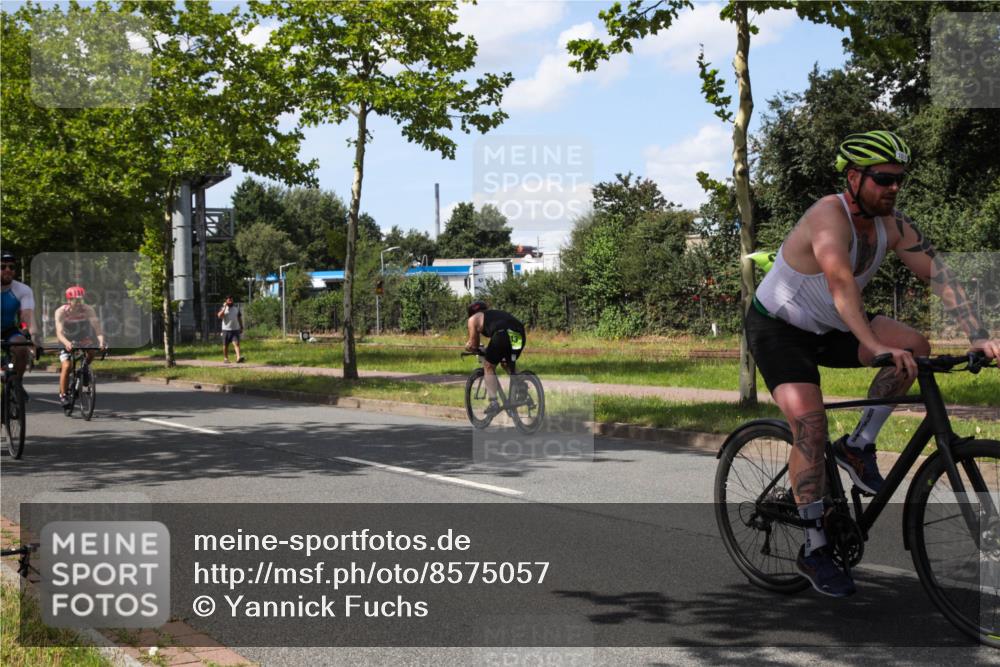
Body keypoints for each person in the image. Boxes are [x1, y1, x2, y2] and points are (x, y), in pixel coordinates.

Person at [745, 130, 1000, 598]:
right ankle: (815, 547)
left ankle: (858, 445)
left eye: (900, 179)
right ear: (854, 177)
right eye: (884, 179)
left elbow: (939, 275)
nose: (894, 188)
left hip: (831, 326)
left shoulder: (895, 226)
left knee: (916, 347)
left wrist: (980, 336)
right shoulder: (828, 217)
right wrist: (871, 344)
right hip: (780, 329)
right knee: (810, 426)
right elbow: (842, 286)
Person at [464, 300, 527, 417]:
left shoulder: (473, 319)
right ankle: (522, 386)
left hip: (502, 334)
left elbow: (474, 345)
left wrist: (469, 347)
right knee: (507, 363)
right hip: (518, 333)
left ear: (471, 313)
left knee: (488, 366)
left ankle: (493, 402)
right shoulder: (494, 314)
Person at [55, 285, 106, 407]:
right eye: (76, 300)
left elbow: (97, 328)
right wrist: (67, 343)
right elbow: (59, 332)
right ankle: (63, 395)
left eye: (81, 300)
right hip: (65, 338)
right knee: (67, 366)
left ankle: (84, 368)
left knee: (92, 352)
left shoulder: (88, 309)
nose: (79, 303)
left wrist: (101, 342)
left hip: (82, 336)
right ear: (69, 300)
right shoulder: (61, 311)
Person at [0, 250, 39, 380]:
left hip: (8, 330)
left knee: (22, 347)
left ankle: (16, 383)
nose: (7, 270)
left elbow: (27, 314)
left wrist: (34, 335)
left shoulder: (22, 289)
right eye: (2, 267)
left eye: (11, 267)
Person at [217, 295, 245, 363]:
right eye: (229, 300)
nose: (230, 301)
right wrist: (224, 308)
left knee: (236, 344)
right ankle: (226, 358)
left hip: (235, 329)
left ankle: (238, 358)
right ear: (226, 301)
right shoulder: (223, 308)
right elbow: (219, 316)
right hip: (226, 330)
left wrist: (241, 327)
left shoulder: (236, 309)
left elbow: (239, 318)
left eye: (231, 300)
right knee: (225, 345)